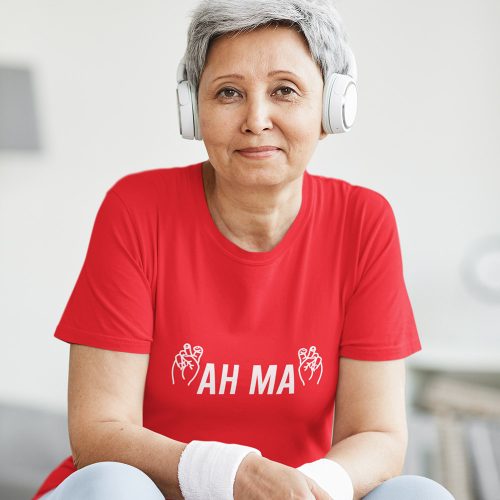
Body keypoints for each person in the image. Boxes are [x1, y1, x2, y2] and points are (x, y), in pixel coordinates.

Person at [32, 0, 455, 499]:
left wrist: (305, 490)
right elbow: (98, 432)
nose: (256, 119)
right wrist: (230, 476)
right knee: (112, 487)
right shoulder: (136, 210)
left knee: (418, 495)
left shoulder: (363, 222)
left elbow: (378, 437)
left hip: (300, 495)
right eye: (229, 92)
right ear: (193, 110)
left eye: (285, 91)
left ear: (333, 107)